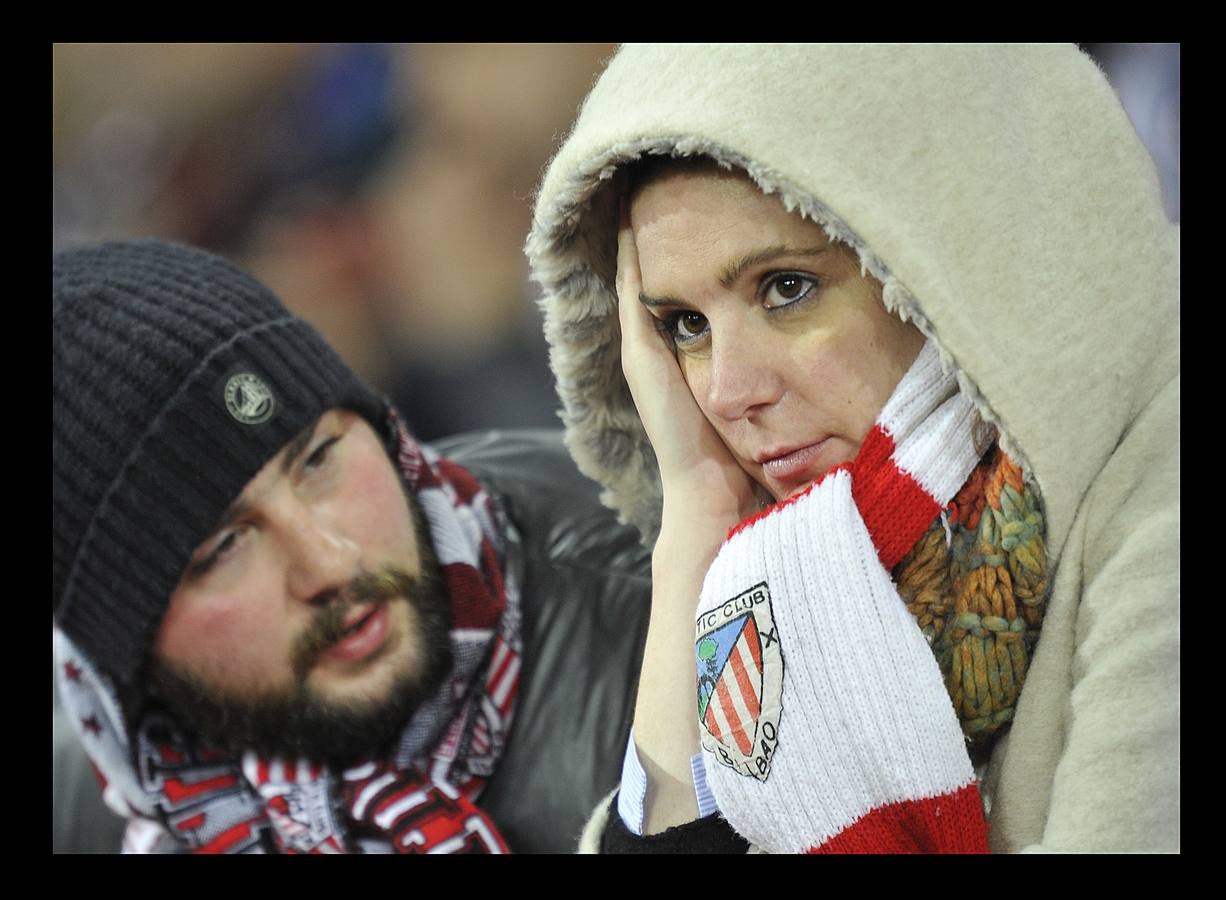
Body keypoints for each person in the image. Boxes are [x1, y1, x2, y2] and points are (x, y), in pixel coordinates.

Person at [526, 43, 1179, 852]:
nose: (729, 392)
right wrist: (694, 511)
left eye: (786, 288)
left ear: (962, 255)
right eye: (684, 326)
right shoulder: (764, 581)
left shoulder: (1159, 491)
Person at [52, 239, 652, 853]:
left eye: (318, 459)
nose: (330, 562)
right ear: (124, 651)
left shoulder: (674, 620)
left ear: (382, 432)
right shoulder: (89, 813)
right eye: (224, 546)